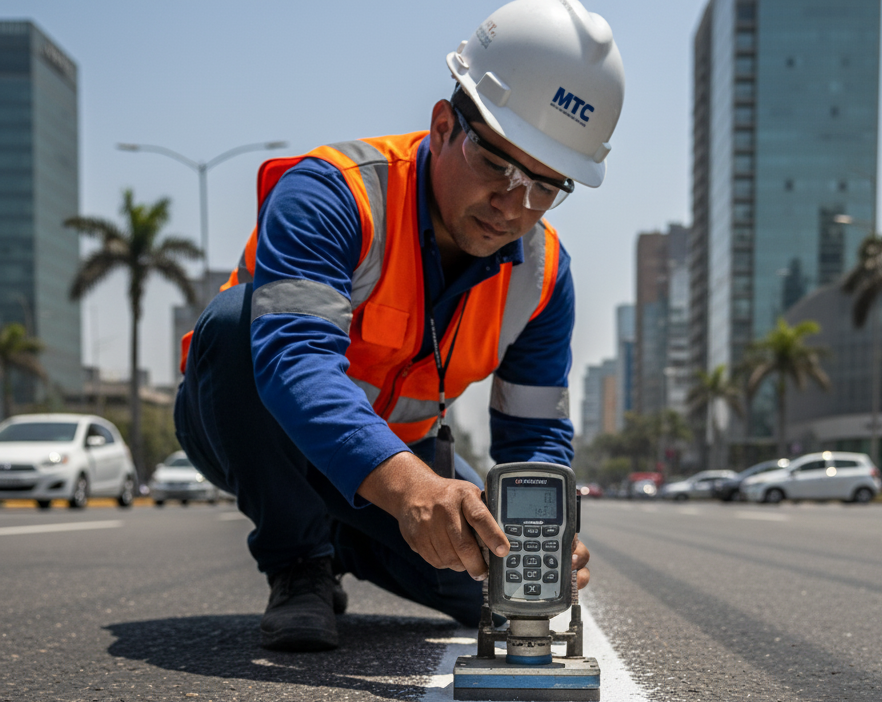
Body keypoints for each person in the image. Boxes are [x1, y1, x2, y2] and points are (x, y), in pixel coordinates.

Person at [174, 0, 625, 651]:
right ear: (443, 125)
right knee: (235, 323)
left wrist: (541, 526)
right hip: (251, 426)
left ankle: (341, 530)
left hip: (402, 451)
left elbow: (534, 430)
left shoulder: (544, 274)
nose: (513, 205)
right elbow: (292, 361)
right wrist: (409, 487)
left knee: (495, 585)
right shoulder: (333, 195)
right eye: (498, 164)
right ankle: (299, 563)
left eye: (546, 185)